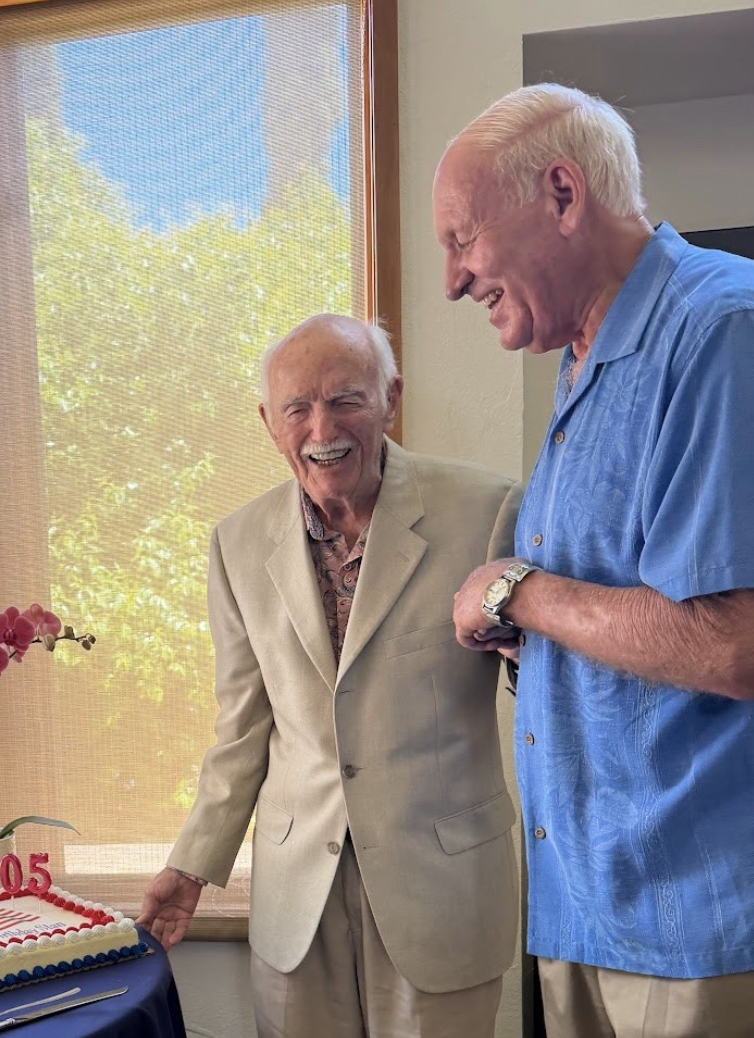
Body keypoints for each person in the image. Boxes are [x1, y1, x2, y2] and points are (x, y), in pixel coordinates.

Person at [435, 83, 754, 1038]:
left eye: (462, 238)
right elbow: (637, 621)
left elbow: (733, 644)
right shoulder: (583, 361)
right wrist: (531, 631)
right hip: (587, 907)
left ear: (563, 196)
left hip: (693, 921)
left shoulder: (720, 330)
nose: (452, 279)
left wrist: (515, 590)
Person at [138, 314, 521, 1038]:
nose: (323, 427)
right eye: (297, 407)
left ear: (390, 398)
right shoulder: (238, 542)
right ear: (268, 422)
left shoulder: (489, 508)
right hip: (297, 898)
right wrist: (191, 865)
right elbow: (243, 727)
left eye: (346, 398)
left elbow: (543, 690)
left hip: (442, 887)